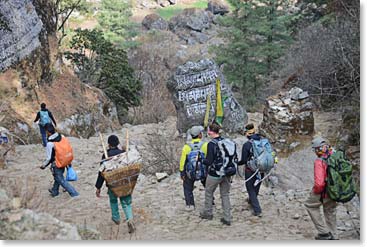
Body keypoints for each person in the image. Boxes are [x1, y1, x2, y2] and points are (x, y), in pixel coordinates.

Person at [95, 135, 136, 234]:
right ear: (118, 143)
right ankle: (129, 219)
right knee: (126, 203)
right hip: (123, 183)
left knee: (113, 201)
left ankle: (116, 218)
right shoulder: (123, 154)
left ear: (108, 144)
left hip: (111, 184)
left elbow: (102, 173)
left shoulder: (106, 156)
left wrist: (98, 187)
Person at [304, 136, 337, 240]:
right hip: (336, 190)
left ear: (317, 149)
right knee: (330, 210)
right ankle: (334, 235)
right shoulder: (335, 155)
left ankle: (323, 233)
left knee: (310, 205)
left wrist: (315, 192)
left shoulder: (319, 161)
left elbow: (319, 184)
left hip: (324, 191)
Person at [200, 122, 232, 226]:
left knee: (209, 192)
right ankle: (227, 217)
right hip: (227, 172)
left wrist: (201, 159)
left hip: (215, 173)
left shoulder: (211, 144)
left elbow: (209, 161)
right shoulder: (226, 141)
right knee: (225, 194)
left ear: (210, 131)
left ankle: (208, 213)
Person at [40, 123, 79, 197]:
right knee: (58, 177)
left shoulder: (50, 144)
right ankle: (54, 191)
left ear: (48, 132)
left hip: (57, 163)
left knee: (60, 179)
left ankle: (74, 193)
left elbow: (49, 158)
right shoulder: (62, 136)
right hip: (64, 160)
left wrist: (43, 165)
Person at [179, 126, 208, 211]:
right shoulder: (205, 145)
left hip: (190, 172)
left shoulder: (186, 147)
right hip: (203, 171)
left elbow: (182, 161)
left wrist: (182, 172)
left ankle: (190, 204)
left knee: (187, 187)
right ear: (200, 135)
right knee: (208, 186)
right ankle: (210, 201)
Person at [238, 123, 264, 217]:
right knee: (256, 186)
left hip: (250, 170)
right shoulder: (262, 141)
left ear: (247, 133)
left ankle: (257, 210)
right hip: (262, 168)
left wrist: (237, 163)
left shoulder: (247, 145)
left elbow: (244, 160)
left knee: (250, 188)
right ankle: (251, 201)